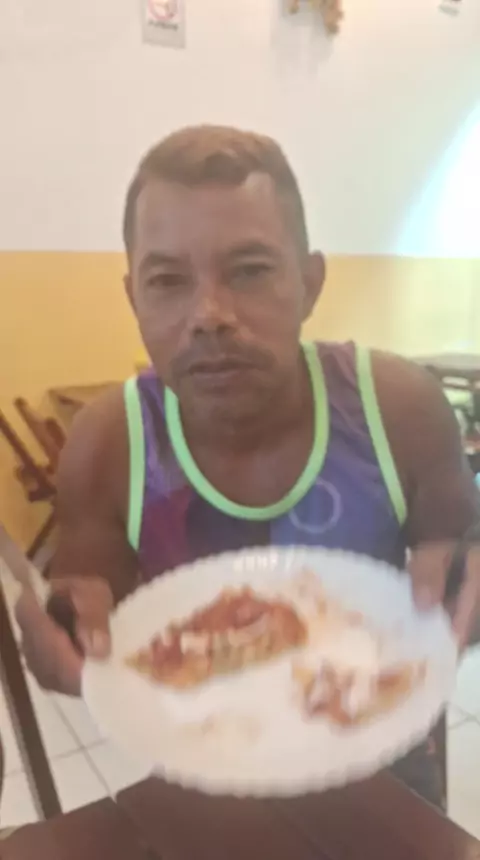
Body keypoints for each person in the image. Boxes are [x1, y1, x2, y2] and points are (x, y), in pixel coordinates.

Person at [16, 125, 480, 807]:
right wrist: (63, 631)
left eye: (250, 271)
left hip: (388, 780)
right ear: (134, 299)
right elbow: (88, 611)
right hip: (206, 778)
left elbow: (462, 565)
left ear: (310, 283)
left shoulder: (398, 409)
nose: (210, 315)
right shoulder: (109, 443)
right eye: (167, 281)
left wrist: (467, 578)